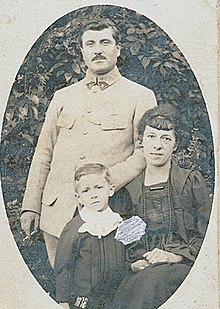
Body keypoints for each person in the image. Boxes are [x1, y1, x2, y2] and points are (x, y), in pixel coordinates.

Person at [20, 19, 157, 267]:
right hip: (57, 212)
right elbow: (43, 154)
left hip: (111, 209)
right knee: (63, 288)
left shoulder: (140, 96)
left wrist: (105, 181)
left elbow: (144, 153)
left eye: (105, 42)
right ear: (82, 52)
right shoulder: (63, 97)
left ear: (118, 49)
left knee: (108, 288)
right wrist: (30, 206)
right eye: (90, 44)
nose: (98, 49)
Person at [111, 104, 211, 309]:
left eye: (166, 138)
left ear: (175, 144)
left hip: (181, 269)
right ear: (141, 141)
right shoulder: (130, 190)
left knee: (154, 284)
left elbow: (209, 236)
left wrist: (173, 256)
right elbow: (125, 242)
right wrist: (133, 263)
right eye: (151, 137)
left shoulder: (190, 182)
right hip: (142, 271)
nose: (157, 145)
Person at [54, 163, 128, 309]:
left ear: (111, 189)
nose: (93, 194)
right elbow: (64, 266)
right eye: (86, 190)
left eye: (98, 188)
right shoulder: (75, 228)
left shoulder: (118, 222)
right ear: (79, 197)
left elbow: (130, 252)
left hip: (116, 295)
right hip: (84, 299)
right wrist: (63, 300)